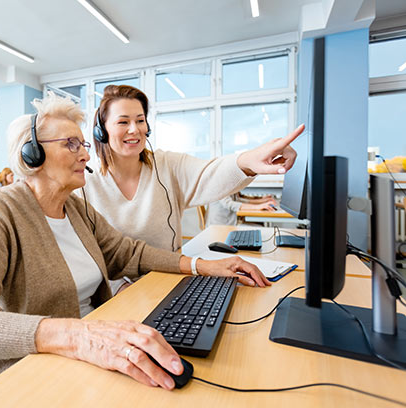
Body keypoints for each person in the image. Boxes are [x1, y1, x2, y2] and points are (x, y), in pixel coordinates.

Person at [0, 93, 271, 405]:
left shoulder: (75, 209)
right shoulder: (0, 211)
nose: (85, 153)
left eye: (83, 143)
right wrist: (76, 334)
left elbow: (128, 254)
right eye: (71, 144)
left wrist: (202, 265)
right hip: (20, 375)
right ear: (31, 155)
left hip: (84, 356)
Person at [82, 85, 302, 292]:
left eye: (140, 120)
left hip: (173, 274)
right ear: (102, 130)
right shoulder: (85, 183)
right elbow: (87, 253)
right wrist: (118, 287)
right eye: (123, 122)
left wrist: (248, 161)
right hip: (118, 290)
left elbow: (211, 172)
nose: (135, 129)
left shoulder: (167, 165)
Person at [207, 193, 278, 226]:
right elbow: (229, 204)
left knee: (259, 225)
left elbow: (238, 199)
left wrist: (261, 200)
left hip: (232, 221)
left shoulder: (231, 180)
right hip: (220, 226)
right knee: (260, 228)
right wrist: (258, 206)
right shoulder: (221, 181)